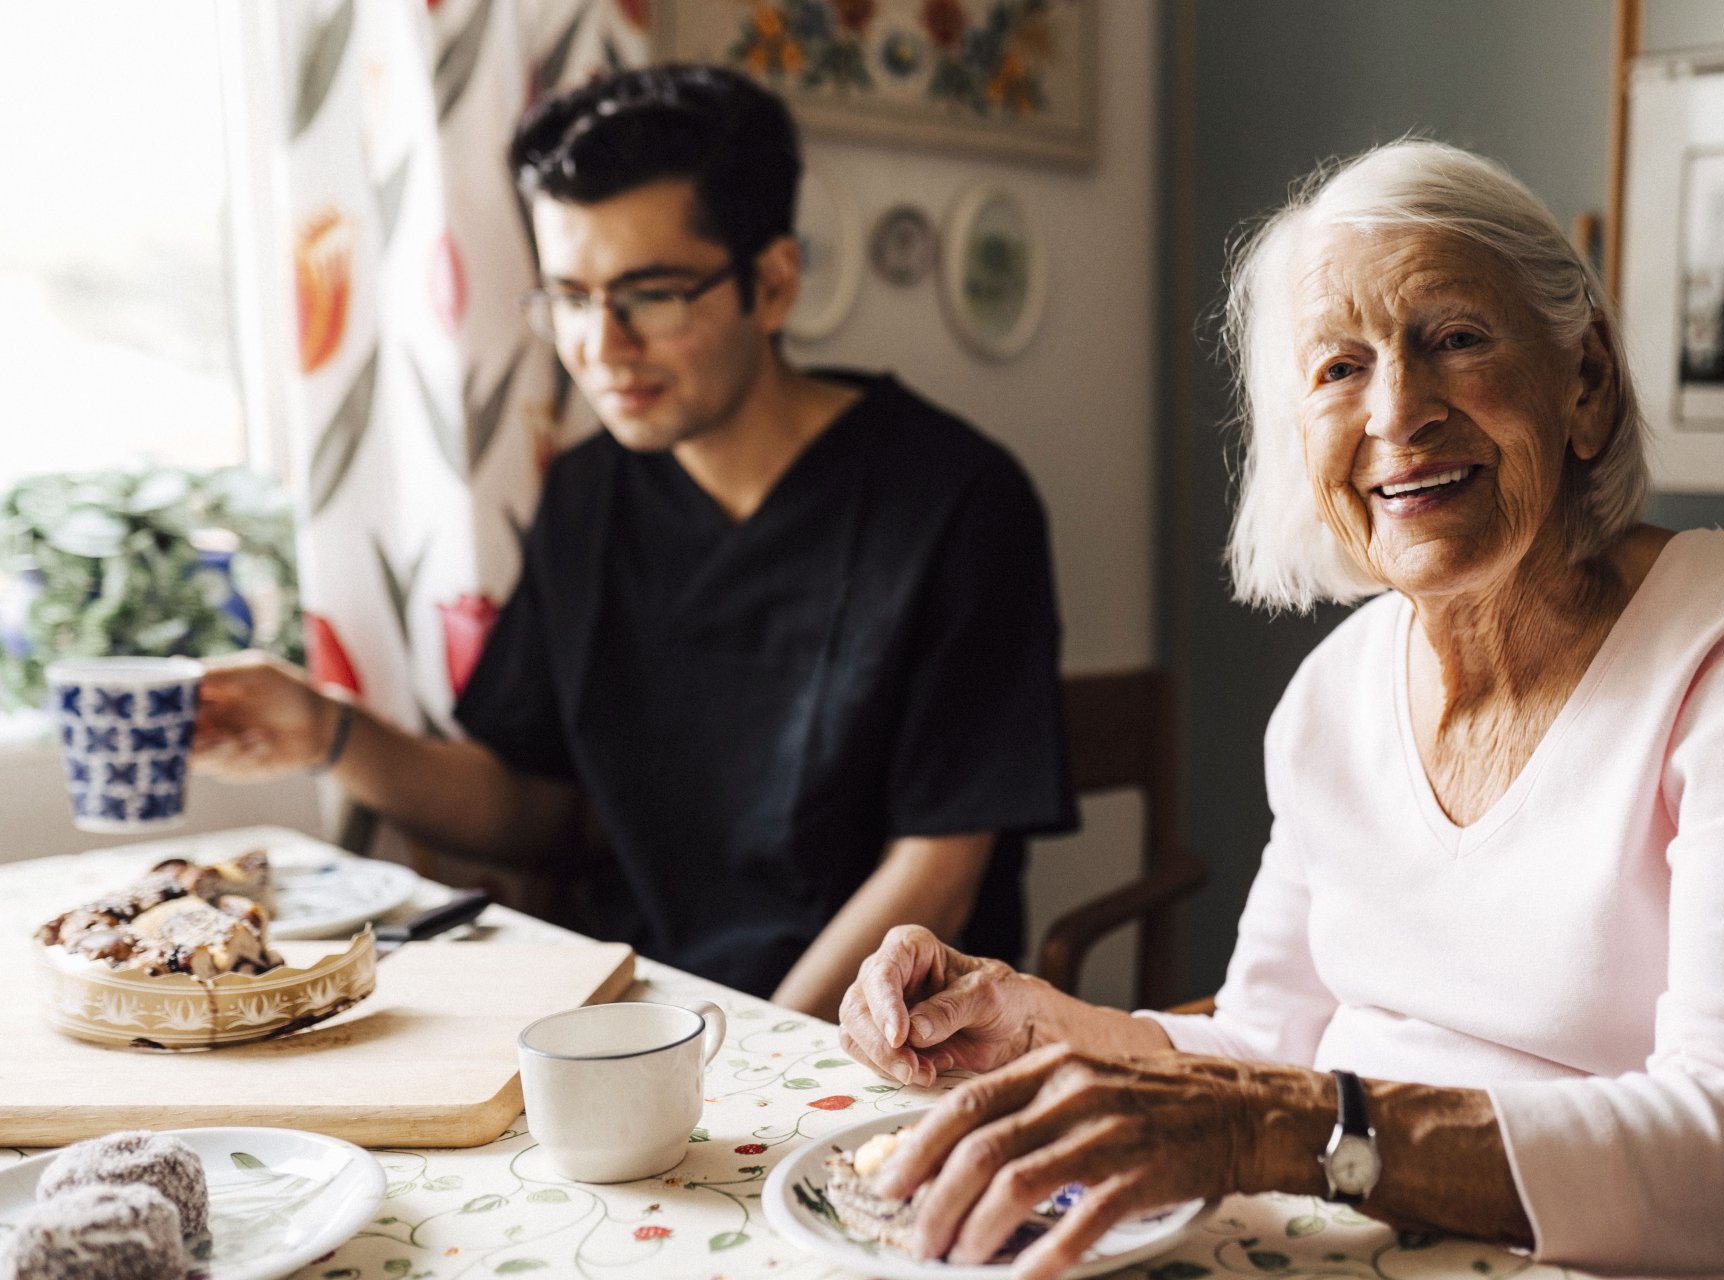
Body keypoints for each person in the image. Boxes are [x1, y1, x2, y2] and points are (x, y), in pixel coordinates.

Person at [839, 140, 1724, 1280]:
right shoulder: (1333, 694)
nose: (1398, 412)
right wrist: (1038, 1023)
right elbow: (1268, 1048)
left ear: (1585, 383)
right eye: (1338, 367)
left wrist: (1285, 1126)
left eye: (1455, 337)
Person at [194, 65, 1076, 1017]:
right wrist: (328, 730)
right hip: (645, 1020)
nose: (601, 346)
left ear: (772, 283)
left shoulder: (956, 500)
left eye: (649, 294)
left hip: (884, 1045)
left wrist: (748, 1056)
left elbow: (937, 872)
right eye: (569, 297)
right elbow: (530, 802)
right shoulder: (586, 497)